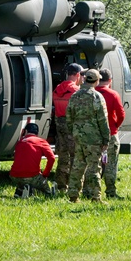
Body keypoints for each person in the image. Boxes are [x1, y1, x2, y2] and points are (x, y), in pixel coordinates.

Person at [66, 69, 111, 202]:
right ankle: (95, 197)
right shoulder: (97, 97)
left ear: (84, 79)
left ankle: (73, 196)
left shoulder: (75, 96)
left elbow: (69, 116)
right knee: (94, 168)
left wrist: (74, 132)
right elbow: (103, 120)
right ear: (97, 81)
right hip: (93, 139)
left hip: (79, 137)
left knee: (77, 167)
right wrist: (106, 139)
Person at [96, 68, 127, 199]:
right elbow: (121, 114)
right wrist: (115, 126)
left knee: (93, 164)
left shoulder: (91, 93)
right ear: (110, 80)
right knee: (111, 164)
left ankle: (91, 190)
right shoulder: (113, 94)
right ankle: (110, 192)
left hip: (93, 134)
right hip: (111, 134)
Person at [52, 63, 83, 191]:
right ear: (77, 75)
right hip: (72, 126)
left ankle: (61, 185)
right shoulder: (76, 92)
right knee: (75, 157)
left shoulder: (57, 89)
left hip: (59, 125)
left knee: (63, 156)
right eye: (81, 75)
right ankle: (74, 186)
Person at [9, 122, 57, 198]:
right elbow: (52, 158)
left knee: (23, 181)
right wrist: (45, 174)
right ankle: (29, 190)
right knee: (47, 193)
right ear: (37, 133)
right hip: (32, 176)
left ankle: (20, 190)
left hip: (14, 176)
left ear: (25, 131)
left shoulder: (19, 142)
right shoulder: (41, 141)